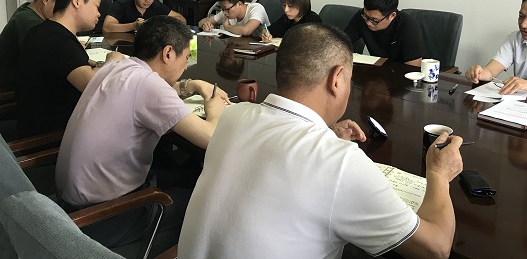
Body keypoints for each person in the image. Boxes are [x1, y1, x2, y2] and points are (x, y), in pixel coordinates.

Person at [178, 23, 463, 259]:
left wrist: (324, 134)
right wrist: (438, 174)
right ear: (337, 79)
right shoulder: (340, 162)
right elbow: (436, 248)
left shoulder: (233, 116)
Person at [55, 15, 228, 249]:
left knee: (188, 174)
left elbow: (153, 91)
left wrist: (193, 84)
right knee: (212, 200)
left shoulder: (115, 66)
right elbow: (210, 138)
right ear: (168, 53)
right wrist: (215, 109)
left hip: (71, 204)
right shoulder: (149, 85)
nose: (186, 65)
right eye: (186, 57)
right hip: (105, 216)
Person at [16, 0, 124, 138]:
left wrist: (97, 64)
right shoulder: (57, 39)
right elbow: (92, 84)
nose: (99, 13)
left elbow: (70, 64)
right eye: (96, 6)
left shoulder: (45, 30)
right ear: (77, 1)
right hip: (53, 133)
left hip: (43, 121)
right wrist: (113, 60)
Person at [0, 0, 64, 90]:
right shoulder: (29, 21)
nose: (62, 11)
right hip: (10, 83)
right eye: (60, 6)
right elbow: (46, 57)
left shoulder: (27, 8)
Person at [344, 0, 423, 66]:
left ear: (392, 16)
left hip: (401, 71)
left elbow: (413, 67)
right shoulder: (361, 17)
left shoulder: (408, 26)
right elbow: (341, 42)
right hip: (377, 69)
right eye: (365, 16)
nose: (368, 22)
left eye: (374, 20)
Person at [198, 0, 269, 37]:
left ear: (239, 4)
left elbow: (246, 31)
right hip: (237, 47)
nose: (224, 13)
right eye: (222, 9)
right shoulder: (227, 12)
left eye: (226, 9)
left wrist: (227, 27)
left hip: (260, 49)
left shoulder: (256, 9)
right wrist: (205, 25)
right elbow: (201, 22)